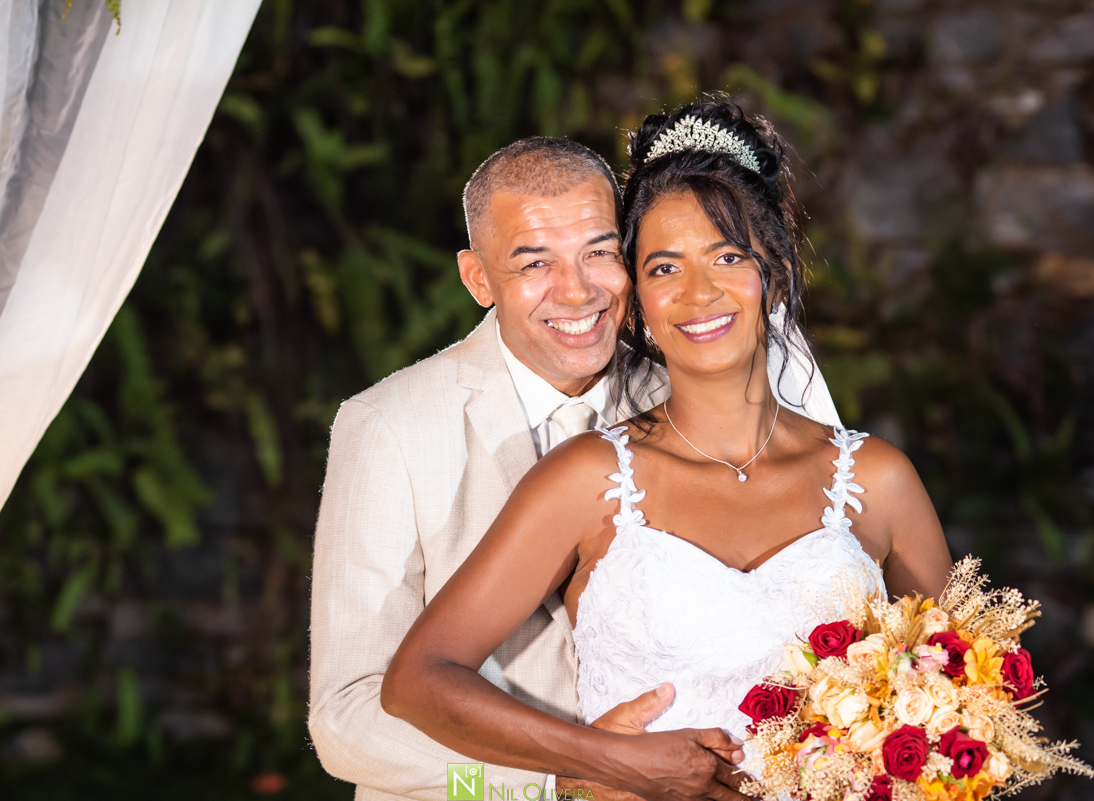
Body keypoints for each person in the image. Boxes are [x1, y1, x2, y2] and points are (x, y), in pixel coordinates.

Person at [380, 99, 954, 800]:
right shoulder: (588, 477)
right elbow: (418, 679)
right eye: (662, 268)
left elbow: (963, 707)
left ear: (770, 270)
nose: (698, 293)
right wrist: (602, 760)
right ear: (635, 297)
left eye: (727, 255)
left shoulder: (879, 478)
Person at [311, 136, 809, 801]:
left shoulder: (694, 402)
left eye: (600, 253)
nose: (577, 291)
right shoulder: (390, 426)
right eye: (534, 263)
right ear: (478, 278)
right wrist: (556, 779)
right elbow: (346, 716)